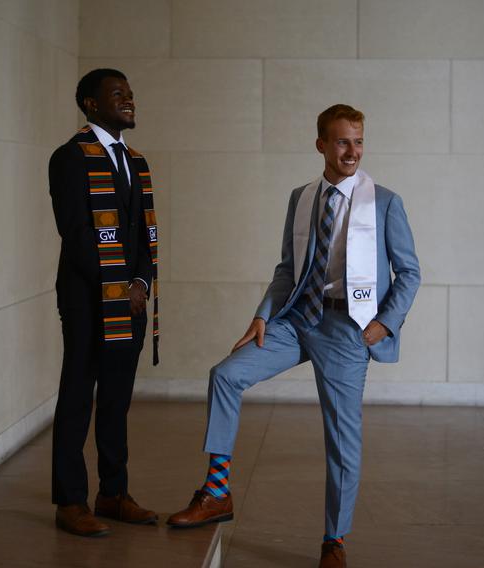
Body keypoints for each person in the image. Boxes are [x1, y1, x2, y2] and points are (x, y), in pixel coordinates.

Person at [166, 104, 420, 567]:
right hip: (297, 318)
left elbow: (410, 272)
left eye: (359, 141)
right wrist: (263, 315)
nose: (352, 152)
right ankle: (217, 492)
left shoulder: (384, 202)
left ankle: (334, 540)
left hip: (348, 328)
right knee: (225, 375)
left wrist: (384, 323)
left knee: (342, 436)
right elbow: (288, 268)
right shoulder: (301, 198)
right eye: (342, 141)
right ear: (321, 143)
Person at [49, 68, 161, 537]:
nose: (129, 100)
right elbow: (76, 237)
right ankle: (71, 501)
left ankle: (113, 493)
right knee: (78, 397)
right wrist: (119, 287)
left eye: (131, 93)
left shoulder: (135, 161)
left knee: (116, 400)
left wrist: (139, 282)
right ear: (91, 104)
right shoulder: (70, 158)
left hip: (130, 301)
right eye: (118, 94)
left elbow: (140, 235)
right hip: (86, 299)